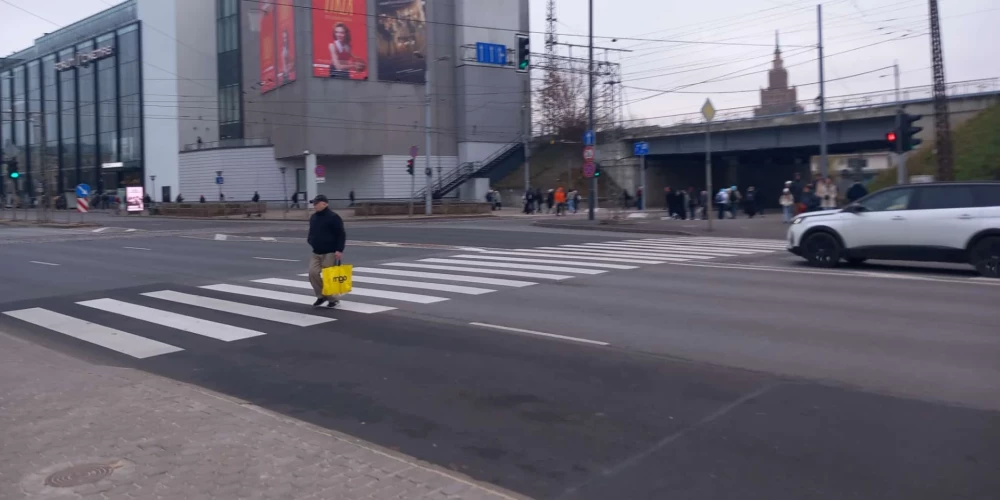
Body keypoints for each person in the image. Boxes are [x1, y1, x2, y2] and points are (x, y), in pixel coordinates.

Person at [307, 194, 347, 308]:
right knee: (312, 273)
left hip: (330, 252)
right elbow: (312, 231)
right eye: (313, 203)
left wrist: (339, 250)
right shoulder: (314, 217)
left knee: (328, 276)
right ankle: (321, 296)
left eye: (316, 203)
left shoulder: (333, 217)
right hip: (316, 251)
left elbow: (341, 234)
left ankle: (333, 299)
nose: (314, 205)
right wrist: (310, 240)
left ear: (325, 204)